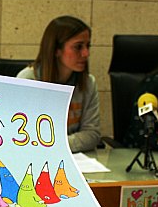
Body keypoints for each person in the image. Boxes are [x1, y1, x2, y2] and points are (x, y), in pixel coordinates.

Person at [16, 16, 101, 153]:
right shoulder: (28, 81)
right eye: (78, 47)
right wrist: (61, 145)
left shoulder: (88, 83)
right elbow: (24, 137)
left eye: (87, 46)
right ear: (56, 50)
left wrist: (54, 145)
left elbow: (92, 134)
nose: (86, 53)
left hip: (75, 159)